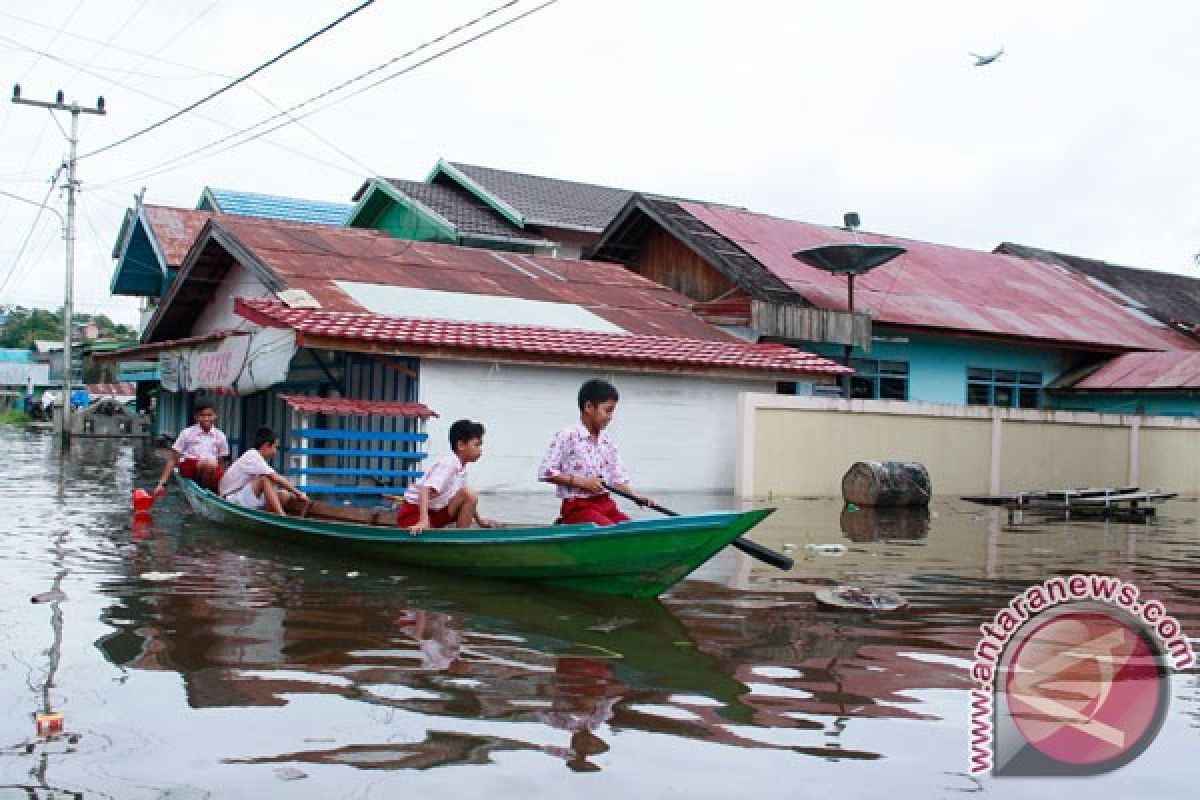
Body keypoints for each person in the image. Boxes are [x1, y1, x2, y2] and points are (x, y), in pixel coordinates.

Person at [538, 379, 652, 526]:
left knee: (633, 530)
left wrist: (636, 497)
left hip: (606, 506)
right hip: (578, 508)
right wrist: (584, 482)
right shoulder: (567, 435)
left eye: (612, 412)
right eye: (607, 410)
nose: (610, 417)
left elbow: (617, 480)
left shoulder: (608, 442)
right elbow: (545, 472)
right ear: (589, 407)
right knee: (611, 532)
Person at [396, 419, 499, 535]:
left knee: (469, 496)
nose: (480, 450)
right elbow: (425, 490)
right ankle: (457, 538)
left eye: (480, 445)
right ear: (461, 445)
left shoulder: (461, 469)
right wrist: (423, 521)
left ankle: (462, 538)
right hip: (414, 514)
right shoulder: (449, 464)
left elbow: (468, 499)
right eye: (476, 445)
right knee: (468, 494)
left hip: (435, 514)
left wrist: (480, 521)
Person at [217, 426, 307, 515]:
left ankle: (263, 514)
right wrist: (298, 493)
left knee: (284, 495)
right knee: (264, 480)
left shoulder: (258, 458)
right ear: (266, 445)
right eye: (275, 447)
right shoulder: (252, 455)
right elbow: (276, 478)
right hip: (230, 499)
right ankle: (282, 516)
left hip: (243, 497)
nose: (275, 451)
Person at [154, 402, 229, 493]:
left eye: (209, 415)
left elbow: (222, 461)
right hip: (190, 467)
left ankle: (211, 490)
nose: (206, 418)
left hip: (211, 470)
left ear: (215, 416)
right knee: (210, 463)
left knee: (217, 469)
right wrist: (162, 483)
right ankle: (204, 489)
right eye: (202, 415)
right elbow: (173, 459)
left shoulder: (220, 435)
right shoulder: (187, 433)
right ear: (196, 417)